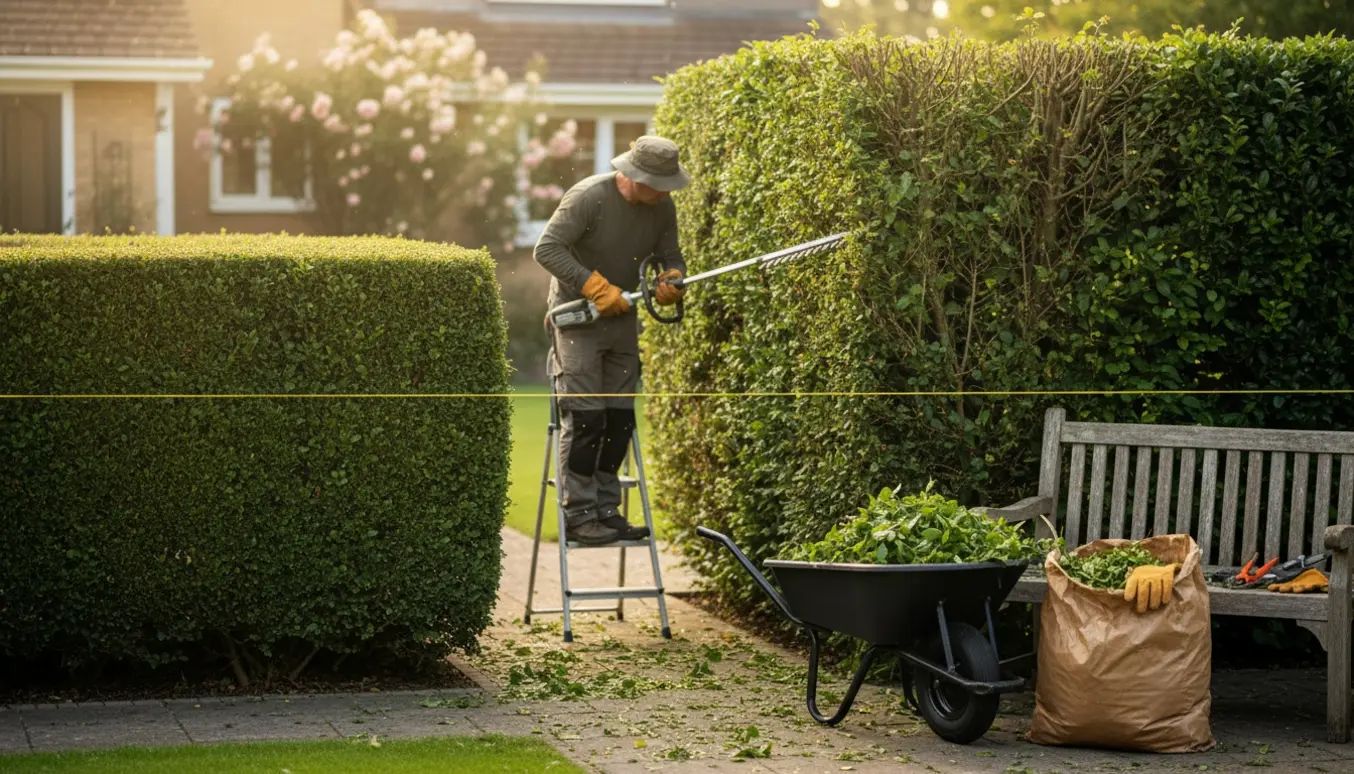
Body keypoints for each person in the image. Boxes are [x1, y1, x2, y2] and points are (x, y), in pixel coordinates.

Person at [533, 135, 690, 545]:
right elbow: (546, 249)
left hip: (623, 317)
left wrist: (672, 278)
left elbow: (671, 255)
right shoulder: (589, 197)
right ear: (636, 176)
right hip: (579, 319)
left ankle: (607, 509)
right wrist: (594, 286)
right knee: (586, 419)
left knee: (619, 420)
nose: (665, 193)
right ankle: (580, 515)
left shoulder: (662, 206)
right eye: (659, 185)